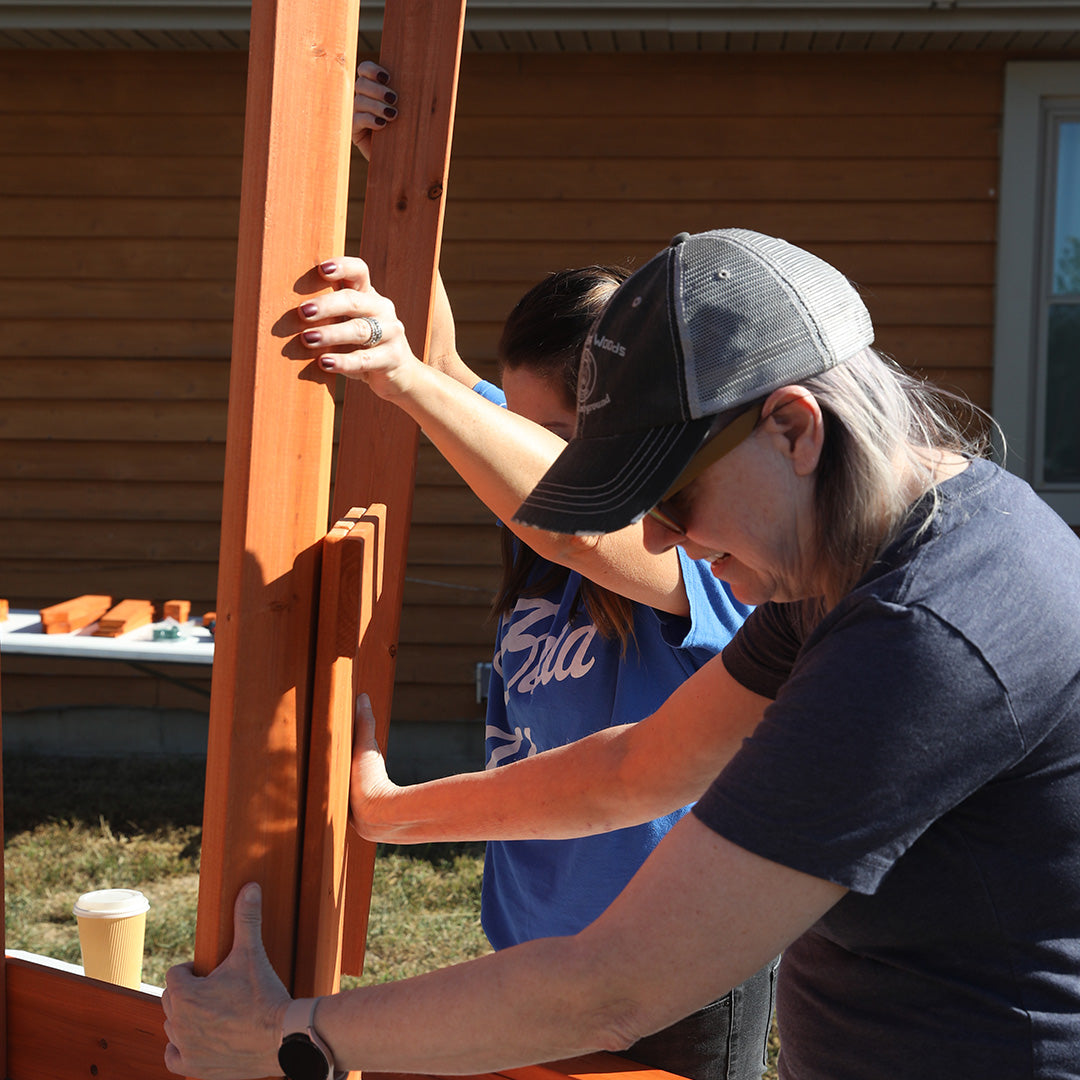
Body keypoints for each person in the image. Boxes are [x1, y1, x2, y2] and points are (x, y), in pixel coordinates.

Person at [163, 227, 1080, 1080]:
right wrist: (393, 814)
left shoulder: (922, 633)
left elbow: (615, 989)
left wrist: (285, 1039)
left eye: (673, 499)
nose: (662, 538)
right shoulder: (855, 557)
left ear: (793, 430)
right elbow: (637, 768)